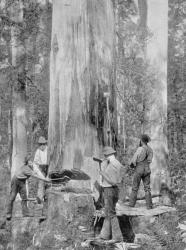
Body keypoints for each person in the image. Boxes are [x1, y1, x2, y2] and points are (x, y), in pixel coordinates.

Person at [6, 156, 50, 220]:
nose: (31, 163)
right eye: (29, 162)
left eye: (31, 161)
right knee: (12, 197)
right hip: (16, 180)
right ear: (26, 162)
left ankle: (25, 213)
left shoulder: (33, 166)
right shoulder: (26, 168)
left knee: (24, 198)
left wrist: (44, 178)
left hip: (22, 181)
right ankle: (8, 213)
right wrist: (45, 180)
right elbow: (35, 176)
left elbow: (38, 173)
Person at [98, 146, 123, 240]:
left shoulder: (113, 165)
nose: (104, 157)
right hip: (114, 190)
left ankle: (117, 237)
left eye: (105, 155)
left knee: (111, 213)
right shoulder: (117, 163)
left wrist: (102, 174)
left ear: (107, 154)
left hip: (110, 189)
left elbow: (112, 181)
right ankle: (104, 235)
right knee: (108, 212)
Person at [129, 134, 153, 209]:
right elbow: (149, 160)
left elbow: (133, 160)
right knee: (147, 188)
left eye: (140, 140)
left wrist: (132, 165)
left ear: (142, 141)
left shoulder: (140, 149)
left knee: (135, 187)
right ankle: (149, 206)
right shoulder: (150, 149)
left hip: (139, 169)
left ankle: (131, 205)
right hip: (147, 169)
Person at [33, 136, 48, 203]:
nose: (41, 146)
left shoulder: (48, 149)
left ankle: (46, 196)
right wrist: (40, 165)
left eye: (43, 144)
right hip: (41, 169)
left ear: (45, 144)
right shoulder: (38, 151)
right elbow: (35, 161)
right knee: (41, 182)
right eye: (40, 144)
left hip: (49, 168)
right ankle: (39, 198)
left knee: (48, 183)